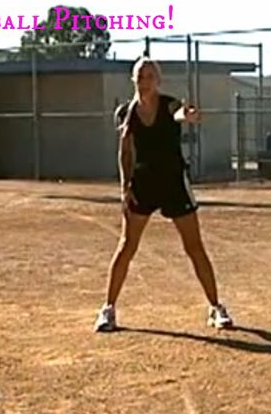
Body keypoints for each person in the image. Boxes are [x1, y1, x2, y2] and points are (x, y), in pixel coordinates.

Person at [94, 57, 233, 332]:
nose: (145, 81)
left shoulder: (169, 104)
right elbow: (125, 152)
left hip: (173, 181)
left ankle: (216, 308)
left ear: (158, 80)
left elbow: (180, 114)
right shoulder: (126, 114)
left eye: (150, 76)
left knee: (194, 247)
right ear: (133, 80)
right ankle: (108, 310)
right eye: (141, 77)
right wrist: (125, 188)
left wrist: (189, 115)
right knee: (127, 246)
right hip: (142, 183)